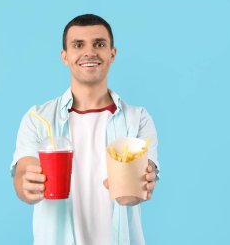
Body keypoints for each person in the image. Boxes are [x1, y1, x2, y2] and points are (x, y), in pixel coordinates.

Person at [11, 14, 159, 245]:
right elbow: (23, 175)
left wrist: (139, 186)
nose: (89, 52)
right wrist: (27, 184)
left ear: (112, 54)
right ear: (65, 56)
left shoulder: (137, 118)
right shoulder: (38, 119)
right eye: (78, 45)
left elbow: (139, 186)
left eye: (99, 44)